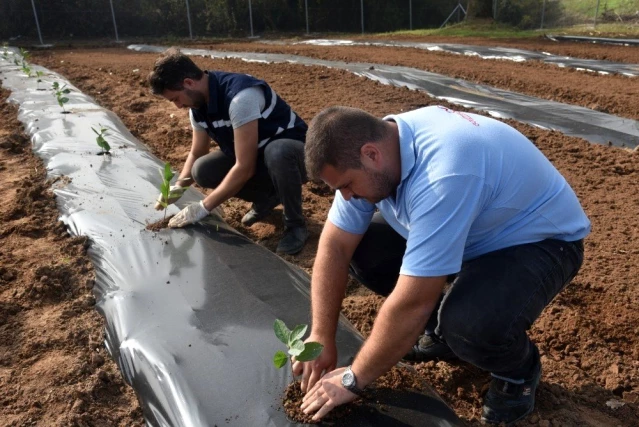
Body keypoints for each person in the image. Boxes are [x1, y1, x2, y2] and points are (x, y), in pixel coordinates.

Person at [294, 105, 590, 424]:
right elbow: (336, 246)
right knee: (364, 251)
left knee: (469, 324)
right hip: (474, 230)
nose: (348, 196)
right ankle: (443, 337)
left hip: (539, 241)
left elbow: (412, 303)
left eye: (348, 185)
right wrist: (322, 335)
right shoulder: (375, 148)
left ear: (371, 155)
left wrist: (352, 378)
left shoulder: (444, 173)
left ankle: (518, 372)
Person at [148, 47, 309, 255]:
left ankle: (295, 225)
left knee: (277, 151)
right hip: (259, 157)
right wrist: (178, 188)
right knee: (202, 170)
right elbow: (197, 151)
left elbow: (244, 167)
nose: (178, 106)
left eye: (176, 99)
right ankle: (268, 197)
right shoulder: (197, 107)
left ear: (189, 82)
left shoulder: (240, 97)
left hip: (297, 158)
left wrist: (203, 207)